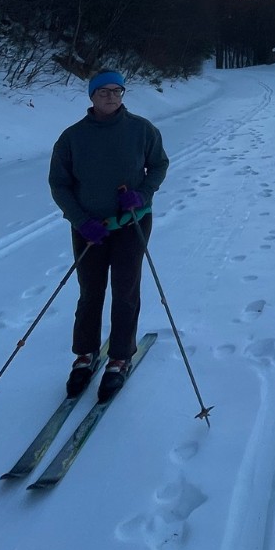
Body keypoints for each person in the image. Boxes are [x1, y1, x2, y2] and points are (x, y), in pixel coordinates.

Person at [48, 69, 169, 401]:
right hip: (90, 229)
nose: (111, 96)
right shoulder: (72, 137)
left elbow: (159, 165)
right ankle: (85, 355)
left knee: (125, 290)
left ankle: (119, 356)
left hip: (131, 223)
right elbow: (59, 183)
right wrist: (80, 219)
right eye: (103, 92)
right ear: (92, 96)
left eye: (117, 91)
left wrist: (142, 195)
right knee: (90, 291)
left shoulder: (141, 130)